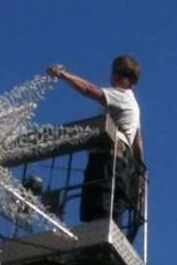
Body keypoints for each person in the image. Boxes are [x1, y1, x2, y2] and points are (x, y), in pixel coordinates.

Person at [47, 56, 144, 236]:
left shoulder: (121, 97)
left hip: (107, 161)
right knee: (107, 212)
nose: (113, 76)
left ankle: (98, 245)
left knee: (100, 209)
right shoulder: (133, 104)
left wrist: (63, 75)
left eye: (117, 72)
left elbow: (90, 90)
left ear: (125, 78)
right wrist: (138, 176)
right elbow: (138, 143)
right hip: (119, 165)